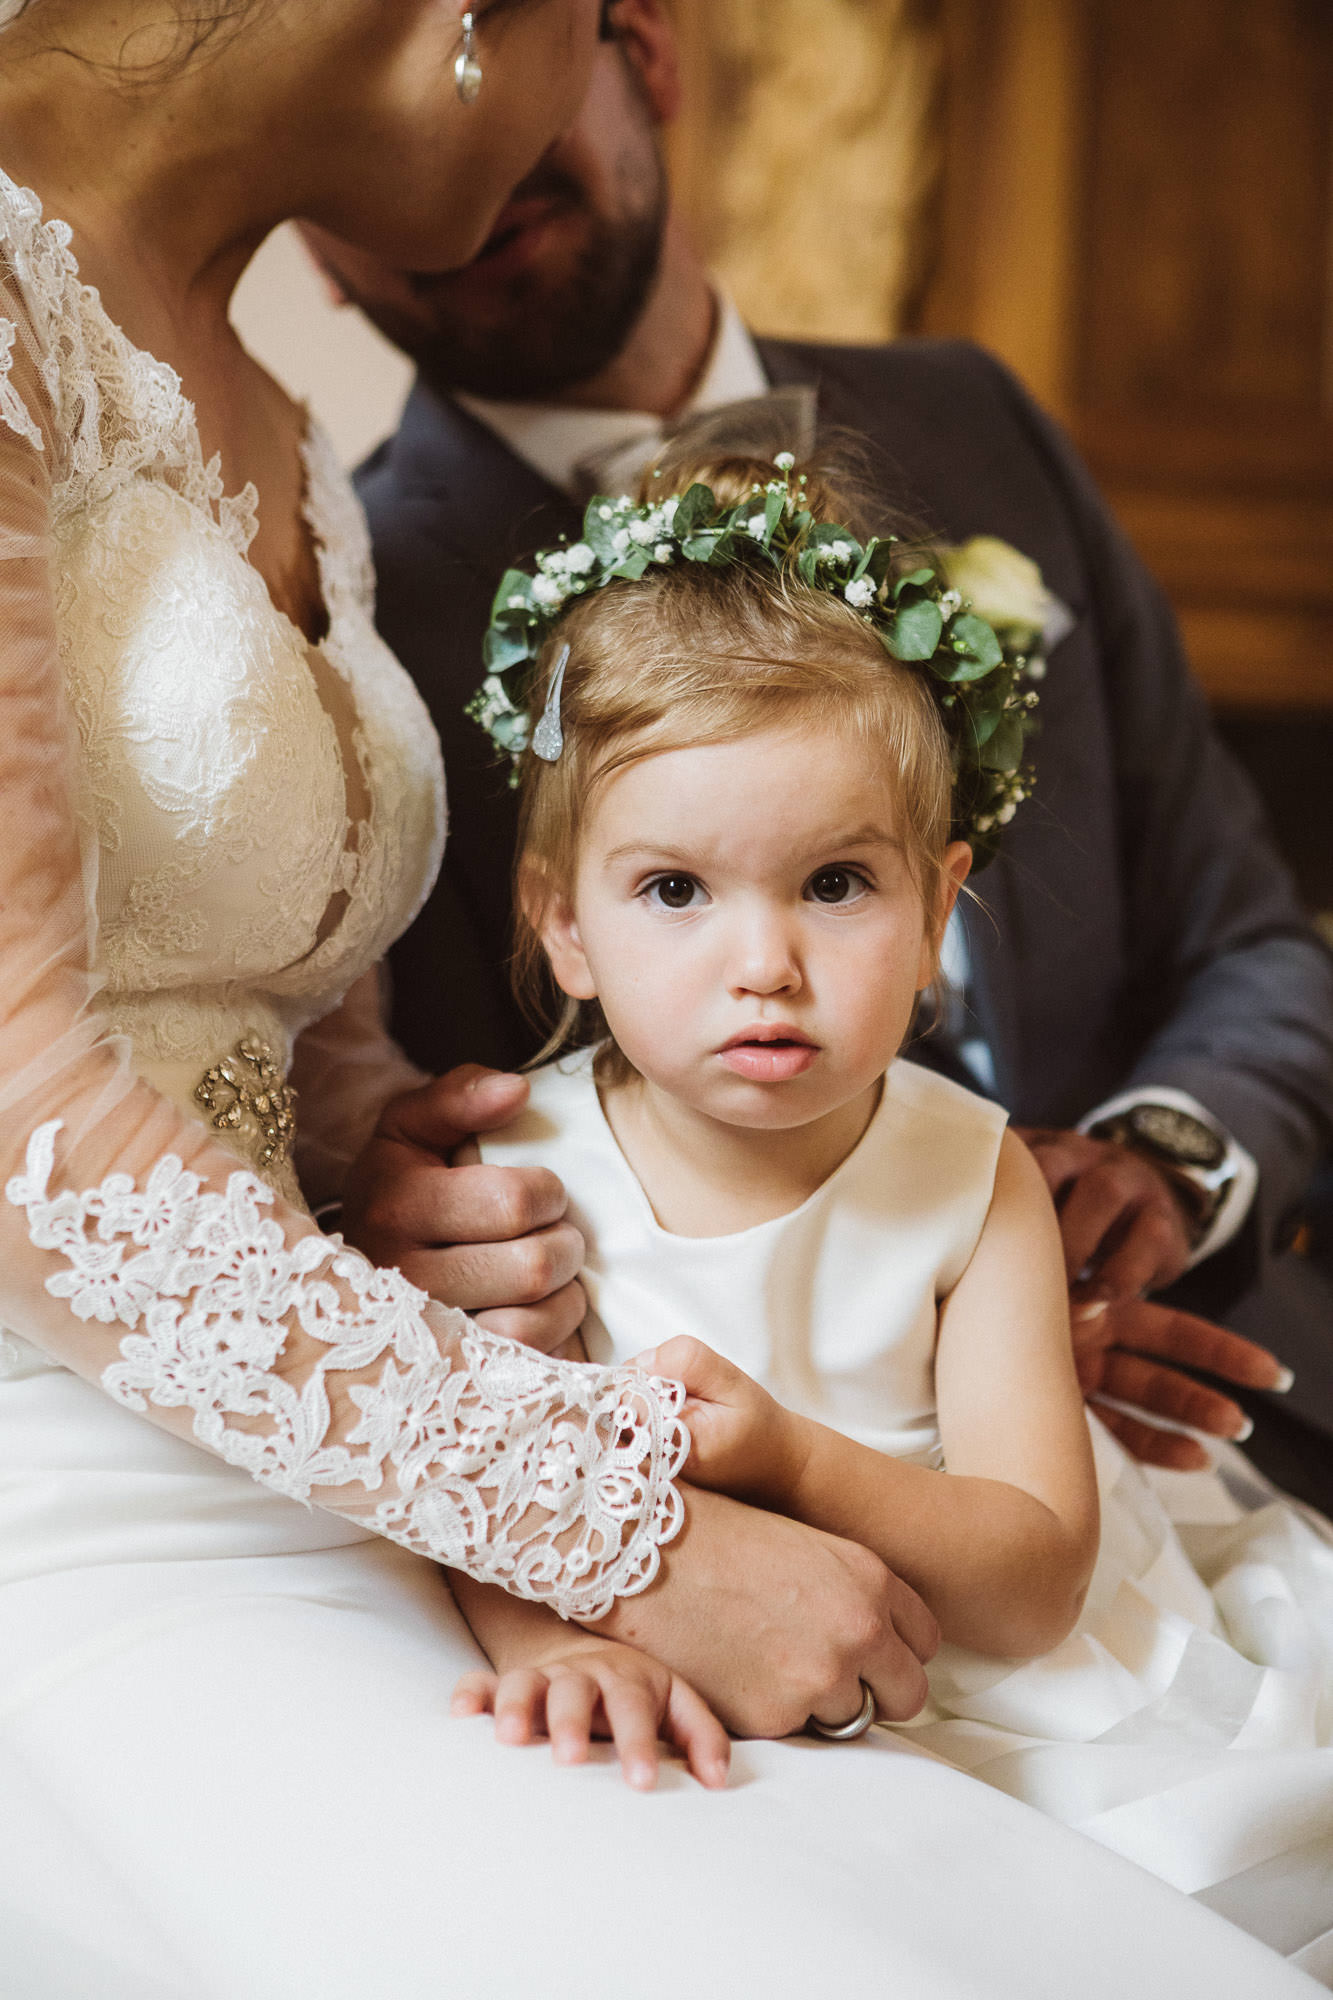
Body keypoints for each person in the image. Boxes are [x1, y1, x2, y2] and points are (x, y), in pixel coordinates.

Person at [2, 5, 1305, 1998]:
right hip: (194, 1450)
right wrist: (584, 1520)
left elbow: (295, 991)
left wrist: (375, 1153)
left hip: (554, 1439)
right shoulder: (329, 483)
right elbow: (48, 1088)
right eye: (678, 889)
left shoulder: (262, 426)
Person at [308, 0, 1333, 1512]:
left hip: (1210, 1393)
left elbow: (1250, 939)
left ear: (643, 55)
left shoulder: (978, 418)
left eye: (481, 71)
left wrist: (1159, 1172)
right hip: (740, 1465)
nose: (441, 166)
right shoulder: (345, 609)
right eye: (349, 155)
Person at [448, 451, 1333, 1963]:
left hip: (997, 1692)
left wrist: (797, 1458)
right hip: (695, 1676)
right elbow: (460, 1487)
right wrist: (550, 1637)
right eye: (674, 891)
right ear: (563, 924)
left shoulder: (967, 1174)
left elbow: (1033, 1580)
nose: (763, 962)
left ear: (937, 908)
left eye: (837, 885)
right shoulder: (511, 1183)